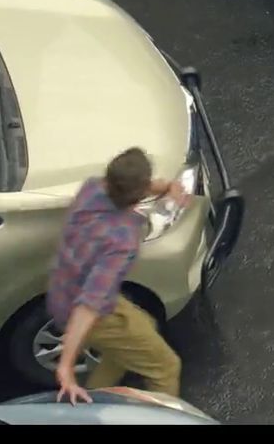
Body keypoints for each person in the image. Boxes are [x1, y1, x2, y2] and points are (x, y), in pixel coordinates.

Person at [48, 146, 192, 404]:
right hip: (88, 310)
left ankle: (93, 398)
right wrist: (65, 367)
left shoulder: (91, 189)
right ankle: (161, 418)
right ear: (136, 195)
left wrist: (164, 187)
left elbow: (124, 188)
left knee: (144, 327)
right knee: (166, 367)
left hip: (63, 291)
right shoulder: (122, 239)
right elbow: (88, 306)